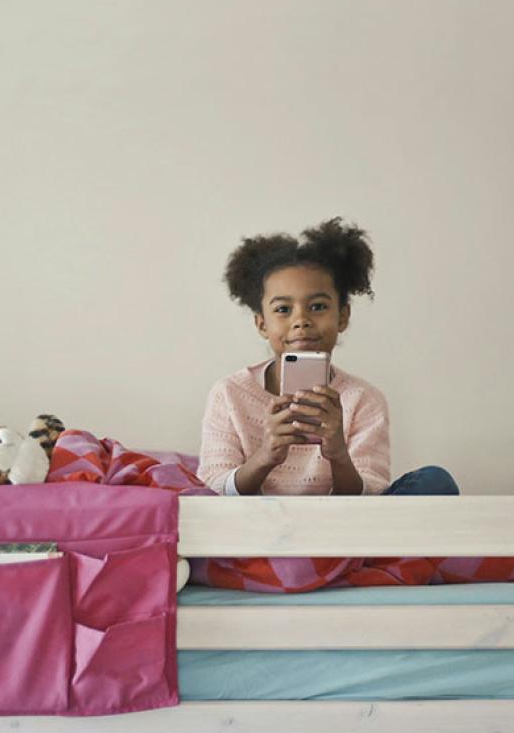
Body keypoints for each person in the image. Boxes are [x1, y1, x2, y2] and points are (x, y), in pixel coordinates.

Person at [193, 218, 457, 591]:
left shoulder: (363, 399)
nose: (301, 321)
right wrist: (266, 455)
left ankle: (323, 566)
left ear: (342, 316)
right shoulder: (230, 394)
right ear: (261, 324)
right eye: (283, 310)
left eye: (318, 306)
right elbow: (213, 493)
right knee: (181, 498)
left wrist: (338, 454)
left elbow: (369, 497)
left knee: (435, 482)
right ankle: (335, 569)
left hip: (342, 532)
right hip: (261, 532)